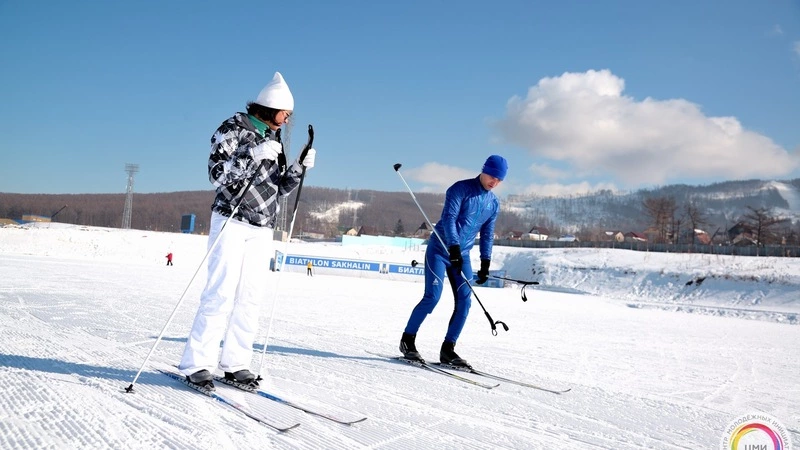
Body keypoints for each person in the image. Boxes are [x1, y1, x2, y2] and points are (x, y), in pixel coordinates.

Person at [178, 72, 316, 390]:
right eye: (285, 113)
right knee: (220, 293)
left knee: (250, 297)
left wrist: (298, 168)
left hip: (262, 227)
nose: (286, 119)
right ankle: (198, 363)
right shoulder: (233, 128)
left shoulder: (274, 139)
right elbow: (216, 175)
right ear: (269, 107)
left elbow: (278, 188)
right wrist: (249, 155)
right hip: (231, 219)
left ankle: (236, 363)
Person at [399, 155, 507, 368]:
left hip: (463, 255)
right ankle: (407, 341)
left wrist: (485, 262)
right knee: (432, 297)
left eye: (499, 180)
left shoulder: (493, 203)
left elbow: (487, 233)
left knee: (466, 301)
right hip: (440, 250)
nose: (494, 182)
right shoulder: (459, 189)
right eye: (492, 176)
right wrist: (454, 247)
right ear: (484, 170)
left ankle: (448, 349)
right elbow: (448, 218)